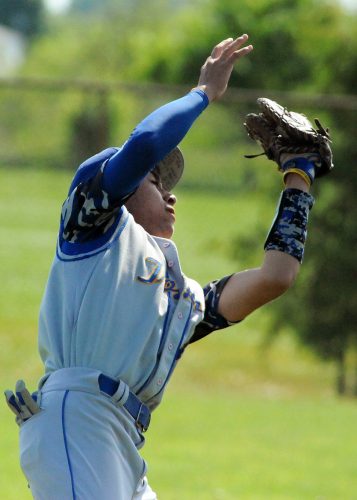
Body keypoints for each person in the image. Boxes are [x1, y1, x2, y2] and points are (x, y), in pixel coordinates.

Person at [6, 34, 322, 499]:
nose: (171, 193)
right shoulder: (89, 224)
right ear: (121, 188)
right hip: (78, 421)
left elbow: (276, 276)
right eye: (154, 181)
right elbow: (145, 142)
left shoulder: (180, 297)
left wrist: (299, 175)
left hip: (124, 440)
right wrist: (204, 93)